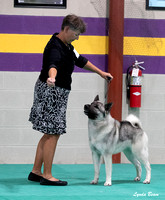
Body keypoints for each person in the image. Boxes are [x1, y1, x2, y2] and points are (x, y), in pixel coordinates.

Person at [28, 14, 113, 186]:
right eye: (76, 34)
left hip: (57, 91)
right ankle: (47, 175)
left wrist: (101, 73)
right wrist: (52, 78)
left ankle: (36, 171)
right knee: (53, 132)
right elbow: (52, 65)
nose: (78, 37)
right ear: (67, 29)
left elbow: (80, 60)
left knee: (49, 132)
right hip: (51, 90)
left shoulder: (67, 45)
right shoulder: (54, 47)